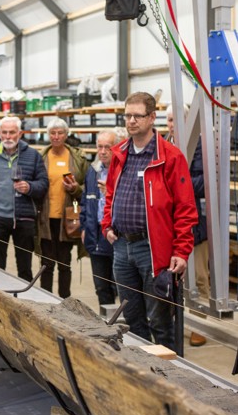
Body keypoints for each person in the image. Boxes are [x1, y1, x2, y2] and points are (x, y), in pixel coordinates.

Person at [101, 92, 197, 351]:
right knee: (131, 316)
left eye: (137, 116)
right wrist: (107, 224)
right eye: (127, 115)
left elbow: (186, 208)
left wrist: (181, 250)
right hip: (122, 247)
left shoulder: (170, 157)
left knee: (160, 319)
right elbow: (110, 193)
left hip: (153, 250)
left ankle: (170, 377)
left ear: (152, 117)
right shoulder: (120, 153)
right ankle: (143, 371)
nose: (131, 121)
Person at [0, 116, 48, 282]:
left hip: (24, 219)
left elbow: (43, 184)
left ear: (20, 133)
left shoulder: (33, 155)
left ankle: (26, 303)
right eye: (4, 132)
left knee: (25, 267)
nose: (8, 137)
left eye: (12, 132)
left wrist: (29, 187)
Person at [166, 104, 208, 347]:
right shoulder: (161, 144)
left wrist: (175, 183)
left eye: (177, 119)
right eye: (170, 120)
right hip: (167, 223)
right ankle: (175, 322)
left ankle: (199, 323)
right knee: (171, 275)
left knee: (198, 275)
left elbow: (204, 181)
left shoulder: (200, 145)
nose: (172, 124)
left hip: (194, 222)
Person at [37, 118, 89, 298]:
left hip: (68, 218)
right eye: (53, 133)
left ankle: (65, 301)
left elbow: (87, 189)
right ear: (48, 135)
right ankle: (45, 298)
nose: (56, 136)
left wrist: (75, 188)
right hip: (45, 217)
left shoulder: (77, 158)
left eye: (60, 133)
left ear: (66, 135)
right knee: (46, 263)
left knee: (65, 263)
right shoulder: (41, 157)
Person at [80, 130, 120, 308]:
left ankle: (127, 324)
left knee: (120, 286)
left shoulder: (122, 171)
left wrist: (111, 191)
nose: (103, 151)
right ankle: (107, 323)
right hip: (96, 235)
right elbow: (84, 200)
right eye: (100, 147)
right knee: (101, 286)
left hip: (116, 235)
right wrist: (83, 227)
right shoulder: (93, 171)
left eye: (107, 147)